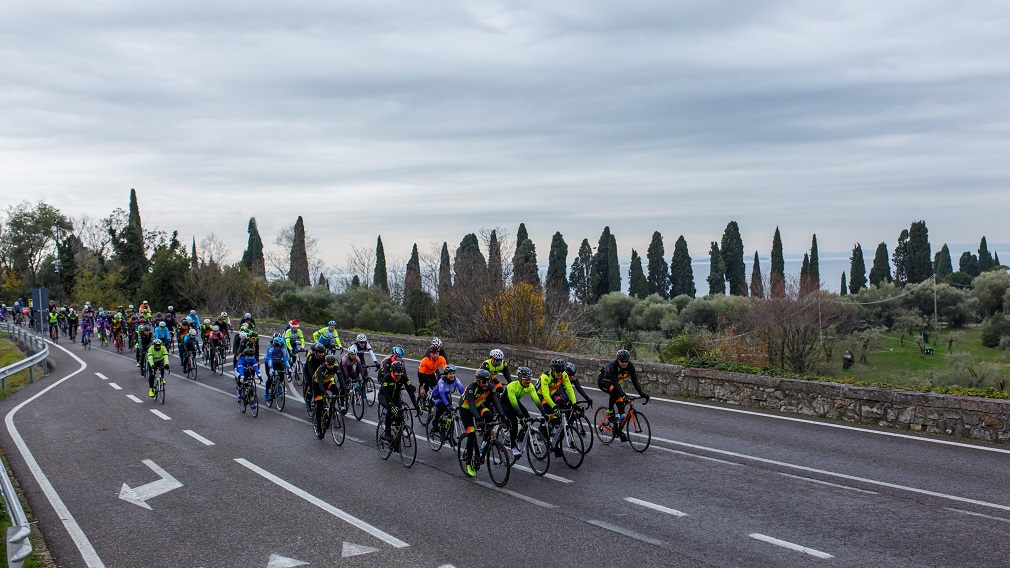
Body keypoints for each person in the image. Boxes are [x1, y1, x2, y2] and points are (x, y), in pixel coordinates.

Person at [460, 369, 506, 477]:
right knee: (471, 435)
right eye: (484, 382)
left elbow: (496, 402)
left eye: (488, 381)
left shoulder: (490, 387)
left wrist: (503, 417)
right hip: (466, 409)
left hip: (478, 406)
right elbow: (471, 406)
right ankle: (468, 463)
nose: (486, 384)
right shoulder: (471, 388)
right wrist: (479, 420)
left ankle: (486, 441)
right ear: (478, 381)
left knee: (489, 415)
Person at [598, 349, 650, 442]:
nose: (624, 363)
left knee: (621, 404)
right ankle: (609, 411)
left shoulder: (630, 366)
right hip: (604, 381)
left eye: (626, 361)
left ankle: (620, 431)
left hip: (615, 384)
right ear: (618, 360)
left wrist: (642, 394)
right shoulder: (612, 366)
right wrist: (624, 395)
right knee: (615, 391)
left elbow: (635, 381)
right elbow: (615, 384)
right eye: (622, 361)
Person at [504, 366, 548, 456]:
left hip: (516, 401)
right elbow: (514, 404)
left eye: (529, 379)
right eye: (526, 379)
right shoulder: (511, 386)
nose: (528, 381)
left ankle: (519, 440)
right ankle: (513, 446)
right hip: (505, 404)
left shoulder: (530, 386)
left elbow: (536, 400)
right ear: (519, 379)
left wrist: (544, 413)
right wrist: (521, 417)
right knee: (514, 422)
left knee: (527, 418)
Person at [378, 360, 419, 442]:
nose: (400, 374)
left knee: (400, 412)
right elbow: (386, 394)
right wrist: (392, 405)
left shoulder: (403, 377)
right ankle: (387, 432)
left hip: (395, 397)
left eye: (401, 372)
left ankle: (397, 432)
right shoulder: (387, 377)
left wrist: (416, 405)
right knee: (390, 410)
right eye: (397, 372)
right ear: (392, 371)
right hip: (384, 396)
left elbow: (410, 392)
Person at [310, 354, 342, 438]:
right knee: (320, 404)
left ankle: (332, 407)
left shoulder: (336, 367)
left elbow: (341, 378)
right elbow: (320, 383)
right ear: (326, 363)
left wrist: (344, 391)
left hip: (327, 381)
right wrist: (324, 393)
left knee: (335, 390)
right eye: (329, 365)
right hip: (317, 384)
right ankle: (318, 426)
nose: (331, 366)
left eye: (332, 364)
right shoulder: (321, 369)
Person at [430, 364, 464, 433]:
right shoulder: (441, 382)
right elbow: (442, 394)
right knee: (442, 407)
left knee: (451, 413)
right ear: (446, 375)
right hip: (436, 396)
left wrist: (467, 401)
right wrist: (447, 405)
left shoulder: (456, 380)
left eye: (453, 373)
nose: (452, 375)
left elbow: (462, 391)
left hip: (445, 396)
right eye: (450, 374)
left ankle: (446, 431)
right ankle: (435, 421)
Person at [263, 337, 290, 403]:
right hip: (269, 362)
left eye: (281, 346)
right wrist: (271, 369)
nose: (281, 348)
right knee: (270, 378)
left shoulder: (283, 349)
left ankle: (279, 385)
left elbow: (286, 359)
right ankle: (266, 392)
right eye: (279, 347)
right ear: (275, 345)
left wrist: (289, 368)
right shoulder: (271, 349)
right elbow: (269, 359)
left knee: (282, 374)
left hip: (278, 362)